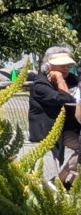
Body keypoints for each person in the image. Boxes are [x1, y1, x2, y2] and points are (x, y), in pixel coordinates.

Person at [29, 46, 81, 188]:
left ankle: (64, 181)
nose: (66, 69)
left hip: (69, 127)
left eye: (68, 65)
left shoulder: (71, 78)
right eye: (62, 66)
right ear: (48, 65)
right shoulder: (40, 85)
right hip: (50, 130)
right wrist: (58, 79)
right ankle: (58, 182)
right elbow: (66, 99)